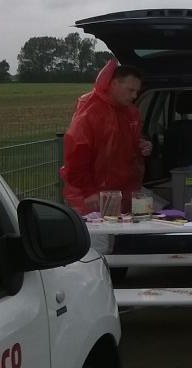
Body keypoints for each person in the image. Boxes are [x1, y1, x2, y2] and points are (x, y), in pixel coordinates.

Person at [60, 62, 151, 254]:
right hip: (93, 197)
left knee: (113, 244)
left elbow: (127, 147)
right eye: (131, 90)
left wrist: (143, 146)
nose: (135, 96)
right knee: (97, 249)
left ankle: (115, 271)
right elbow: (76, 156)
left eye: (137, 91)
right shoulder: (91, 113)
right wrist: (88, 192)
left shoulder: (128, 113)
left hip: (120, 193)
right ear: (114, 83)